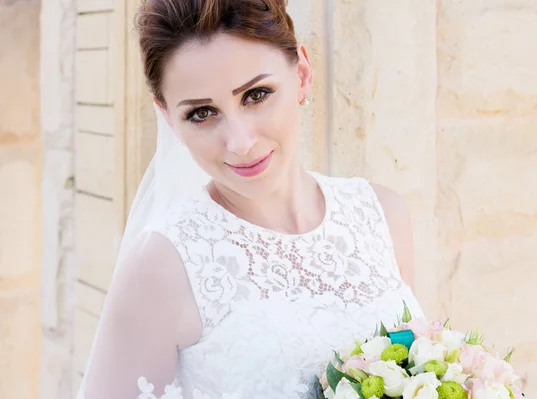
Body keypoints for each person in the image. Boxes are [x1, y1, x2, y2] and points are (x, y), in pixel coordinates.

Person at [78, 0, 424, 397]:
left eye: (256, 95)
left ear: (304, 74)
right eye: (202, 114)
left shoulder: (382, 214)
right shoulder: (163, 264)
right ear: (168, 117)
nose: (240, 143)